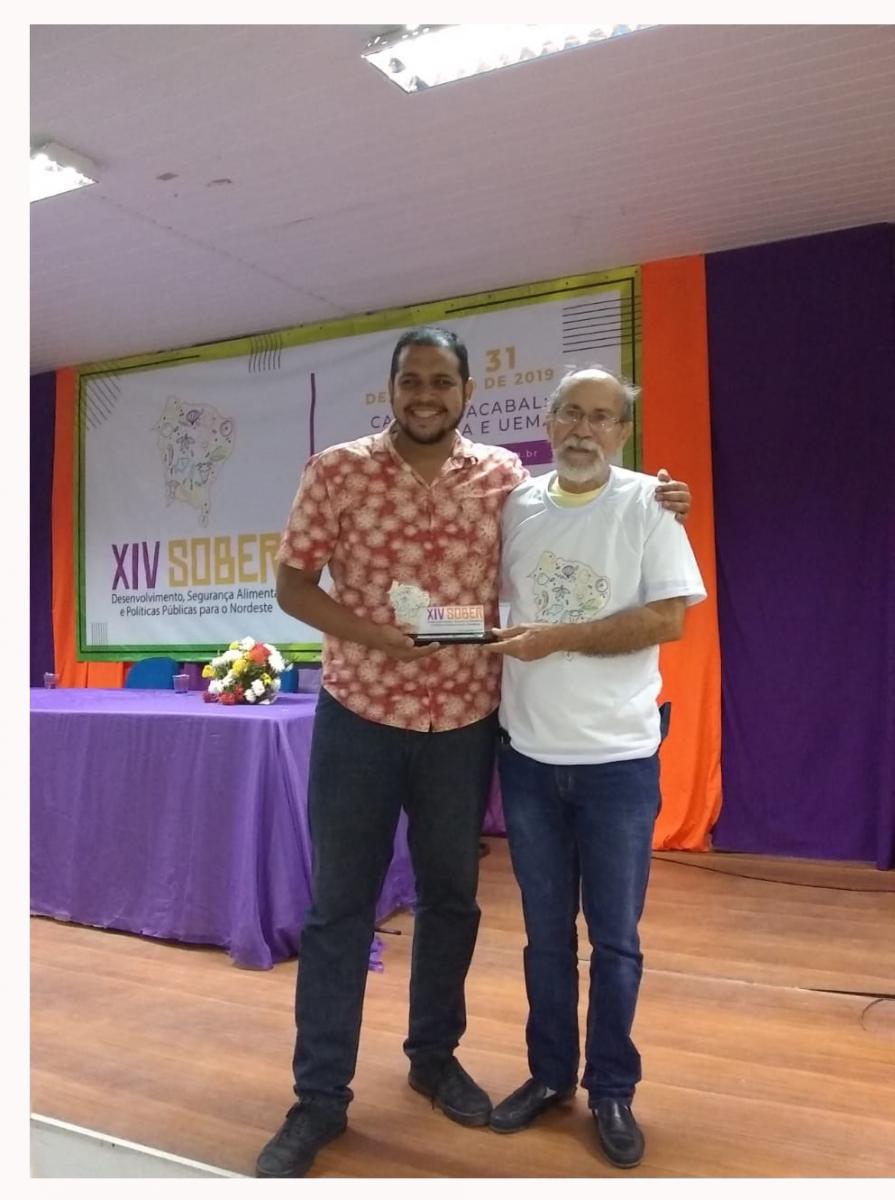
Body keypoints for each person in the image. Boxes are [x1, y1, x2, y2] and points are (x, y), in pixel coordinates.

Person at [255, 328, 692, 1178]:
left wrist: (660, 494)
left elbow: (590, 493)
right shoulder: (335, 470)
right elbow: (292, 585)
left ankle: (432, 1058)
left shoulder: (502, 479)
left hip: (462, 722)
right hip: (360, 713)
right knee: (339, 910)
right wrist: (371, 636)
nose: (425, 395)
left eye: (442, 382)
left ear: (466, 393)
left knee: (452, 901)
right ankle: (318, 1099)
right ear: (391, 388)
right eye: (411, 380)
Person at [483, 366, 706, 1170]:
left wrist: (558, 638)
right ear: (547, 422)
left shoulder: (649, 503)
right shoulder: (514, 505)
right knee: (545, 938)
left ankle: (612, 1088)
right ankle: (550, 1076)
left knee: (614, 942)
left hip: (617, 764)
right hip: (528, 759)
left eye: (601, 417)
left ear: (622, 431)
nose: (583, 429)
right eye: (570, 413)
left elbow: (667, 619)